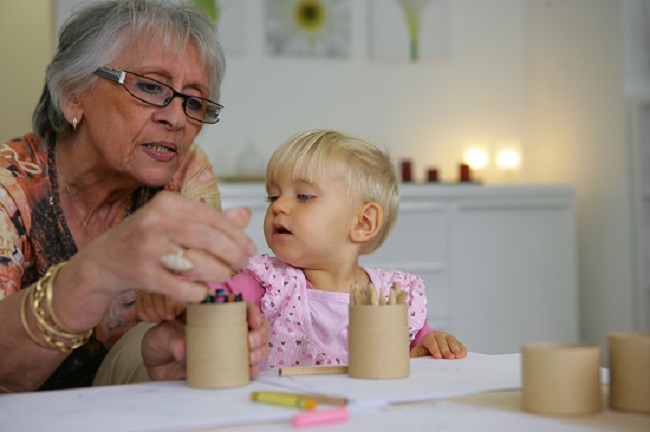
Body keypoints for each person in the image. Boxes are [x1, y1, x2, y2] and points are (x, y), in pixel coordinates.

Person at [0, 0, 270, 393]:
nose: (176, 118)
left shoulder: (185, 174)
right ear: (74, 93)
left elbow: (192, 310)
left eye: (194, 101)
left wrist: (186, 339)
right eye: (150, 86)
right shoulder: (11, 186)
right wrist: (99, 270)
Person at [137, 129, 466, 371]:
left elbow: (419, 343)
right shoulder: (267, 283)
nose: (279, 206)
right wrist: (183, 286)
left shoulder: (393, 297)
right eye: (273, 196)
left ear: (363, 222)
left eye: (303, 197)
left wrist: (432, 343)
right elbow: (214, 297)